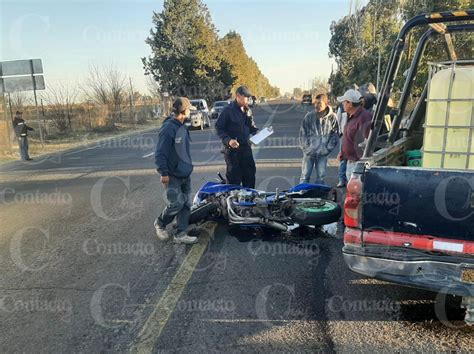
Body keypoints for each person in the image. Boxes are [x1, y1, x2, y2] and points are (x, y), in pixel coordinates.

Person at [154, 97, 198, 244]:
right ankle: (160, 223)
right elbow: (160, 153)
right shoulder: (168, 128)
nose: (190, 113)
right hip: (172, 175)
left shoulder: (182, 126)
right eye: (189, 110)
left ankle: (180, 233)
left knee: (186, 204)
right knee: (176, 204)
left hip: (185, 173)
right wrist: (164, 173)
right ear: (184, 111)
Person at [216, 85, 259, 188]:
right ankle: (233, 203)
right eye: (246, 97)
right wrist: (228, 140)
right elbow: (219, 128)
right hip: (233, 152)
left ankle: (249, 201)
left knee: (250, 178)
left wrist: (258, 132)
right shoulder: (228, 111)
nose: (248, 99)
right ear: (238, 96)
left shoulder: (247, 110)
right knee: (233, 182)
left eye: (249, 97)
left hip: (246, 149)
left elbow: (251, 126)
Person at [299, 93, 339, 184]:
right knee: (305, 176)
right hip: (309, 153)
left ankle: (319, 195)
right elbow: (302, 134)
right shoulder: (309, 116)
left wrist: (327, 149)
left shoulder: (332, 117)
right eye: (315, 103)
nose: (316, 106)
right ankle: (302, 195)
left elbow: (335, 135)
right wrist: (307, 149)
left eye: (319, 103)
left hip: (323, 153)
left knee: (321, 177)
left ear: (326, 104)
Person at [337, 89, 373, 182]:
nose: (343, 104)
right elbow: (348, 137)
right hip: (351, 162)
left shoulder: (364, 117)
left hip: (358, 164)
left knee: (357, 193)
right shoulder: (351, 116)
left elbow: (367, 141)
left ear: (350, 103)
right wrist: (342, 153)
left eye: (344, 102)